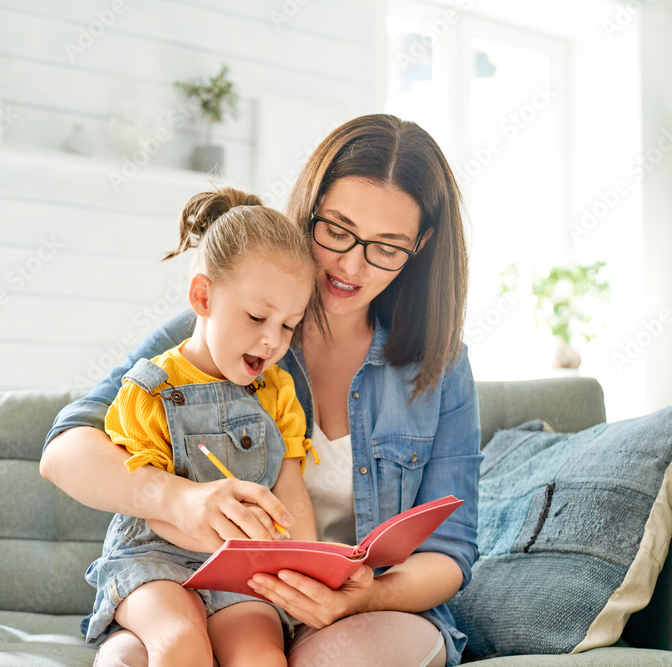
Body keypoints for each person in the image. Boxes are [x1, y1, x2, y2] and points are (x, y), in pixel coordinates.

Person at [41, 114, 482, 667]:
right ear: (310, 210)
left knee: (324, 659)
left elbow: (452, 550)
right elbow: (65, 449)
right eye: (337, 231)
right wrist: (176, 499)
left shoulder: (438, 361)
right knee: (133, 658)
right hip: (217, 592)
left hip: (368, 613)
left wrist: (368, 595)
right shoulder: (223, 325)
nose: (351, 264)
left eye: (386, 248)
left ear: (420, 246)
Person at [82, 186, 321, 666]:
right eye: (257, 316)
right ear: (203, 295)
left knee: (263, 657)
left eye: (289, 325)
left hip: (243, 571)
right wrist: (230, 543)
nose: (272, 340)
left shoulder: (278, 393)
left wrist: (308, 565)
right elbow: (152, 508)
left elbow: (290, 489)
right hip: (155, 562)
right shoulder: (149, 390)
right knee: (180, 642)